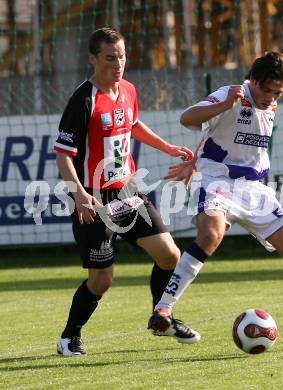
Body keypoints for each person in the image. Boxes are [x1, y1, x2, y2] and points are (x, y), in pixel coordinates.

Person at [148, 51, 283, 350]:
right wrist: (226, 104)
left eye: (278, 92)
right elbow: (187, 118)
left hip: (253, 188)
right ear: (253, 79)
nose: (271, 97)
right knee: (211, 234)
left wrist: (196, 158)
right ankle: (163, 308)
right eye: (267, 90)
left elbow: (225, 139)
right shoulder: (230, 94)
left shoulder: (271, 103)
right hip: (217, 180)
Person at [54, 27, 200, 356]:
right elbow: (63, 153)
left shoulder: (128, 90)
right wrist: (78, 193)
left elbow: (132, 123)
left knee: (170, 255)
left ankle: (162, 316)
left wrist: (166, 147)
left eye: (122, 56)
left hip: (127, 191)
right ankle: (69, 336)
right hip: (93, 197)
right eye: (110, 57)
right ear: (92, 58)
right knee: (101, 280)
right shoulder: (83, 99)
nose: (118, 63)